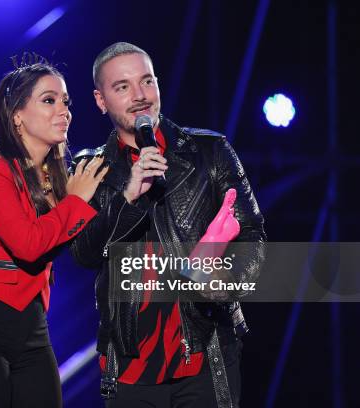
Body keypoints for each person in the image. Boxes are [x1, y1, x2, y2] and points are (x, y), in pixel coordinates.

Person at [69, 42, 266, 408]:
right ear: (100, 100)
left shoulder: (210, 151)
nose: (141, 96)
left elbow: (253, 237)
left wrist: (219, 284)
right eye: (123, 87)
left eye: (147, 81)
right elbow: (84, 253)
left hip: (204, 354)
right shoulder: (89, 170)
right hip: (131, 366)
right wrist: (128, 197)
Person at [0, 60, 109, 408]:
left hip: (32, 327)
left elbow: (86, 245)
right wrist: (75, 201)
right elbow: (29, 245)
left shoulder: (57, 181)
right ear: (17, 115)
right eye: (49, 100)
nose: (64, 111)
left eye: (66, 102)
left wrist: (130, 192)